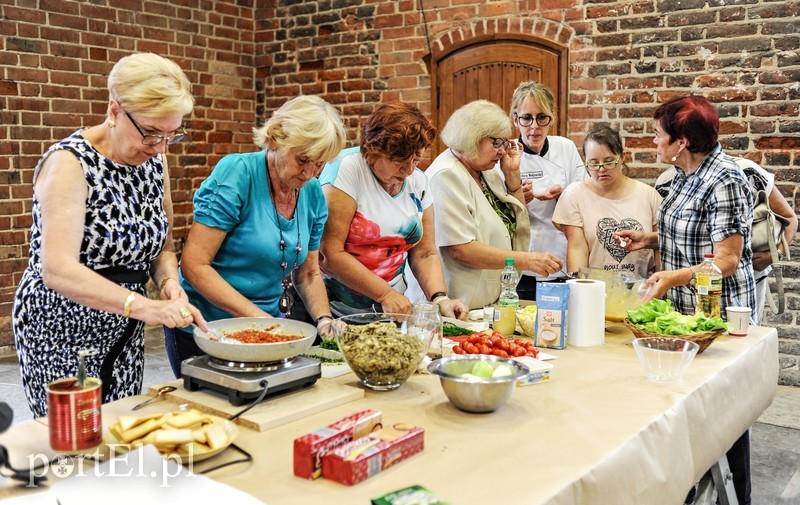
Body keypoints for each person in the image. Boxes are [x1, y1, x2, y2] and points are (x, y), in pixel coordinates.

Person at [12, 53, 205, 417]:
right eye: (150, 132)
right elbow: (57, 270)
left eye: (171, 134)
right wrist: (147, 307)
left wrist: (168, 283)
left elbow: (162, 243)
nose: (160, 147)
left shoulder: (153, 159)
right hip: (62, 327)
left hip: (123, 327)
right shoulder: (70, 163)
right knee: (73, 447)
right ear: (114, 110)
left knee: (119, 432)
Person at [616, 95, 755, 505]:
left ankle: (737, 497)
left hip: (717, 315)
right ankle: (687, 489)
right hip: (683, 313)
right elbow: (694, 232)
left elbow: (726, 260)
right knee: (686, 408)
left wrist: (672, 277)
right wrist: (650, 239)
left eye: (659, 135)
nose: (653, 141)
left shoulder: (725, 179)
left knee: (726, 412)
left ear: (682, 142)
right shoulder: (681, 172)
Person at [169, 95, 346, 377]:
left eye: (320, 164)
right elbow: (194, 266)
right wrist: (261, 320)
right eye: (303, 160)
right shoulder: (237, 174)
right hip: (208, 328)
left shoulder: (312, 193)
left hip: (265, 327)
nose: (310, 173)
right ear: (275, 139)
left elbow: (309, 273)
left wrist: (324, 319)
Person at [406, 99, 561, 310]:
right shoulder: (447, 175)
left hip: (484, 302)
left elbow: (515, 219)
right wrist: (525, 260)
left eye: (505, 143)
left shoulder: (484, 169)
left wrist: (512, 175)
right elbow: (460, 249)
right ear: (471, 137)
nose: (503, 151)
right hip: (456, 304)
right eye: (497, 142)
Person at [318, 103, 469, 319]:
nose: (409, 170)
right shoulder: (348, 168)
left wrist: (440, 298)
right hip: (337, 311)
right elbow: (329, 254)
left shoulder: (418, 181)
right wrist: (385, 293)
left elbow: (424, 252)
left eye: (416, 159)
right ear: (374, 151)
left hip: (390, 311)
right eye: (399, 161)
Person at [656, 158, 797, 325]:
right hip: (686, 291)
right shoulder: (667, 181)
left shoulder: (744, 171)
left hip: (738, 287)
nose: (656, 142)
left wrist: (775, 254)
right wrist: (647, 240)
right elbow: (680, 234)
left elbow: (790, 218)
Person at [503, 81, 586, 300]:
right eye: (526, 118)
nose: (534, 126)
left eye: (542, 118)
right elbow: (494, 212)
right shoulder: (506, 154)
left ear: (552, 119)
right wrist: (518, 197)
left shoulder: (565, 148)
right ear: (515, 119)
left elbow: (585, 196)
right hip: (523, 258)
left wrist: (565, 194)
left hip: (563, 253)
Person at [552, 125, 661, 279]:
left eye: (609, 161)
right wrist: (580, 291)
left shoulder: (648, 195)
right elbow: (577, 250)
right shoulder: (575, 194)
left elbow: (660, 246)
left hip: (642, 291)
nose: (601, 169)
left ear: (622, 157)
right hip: (595, 292)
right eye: (594, 163)